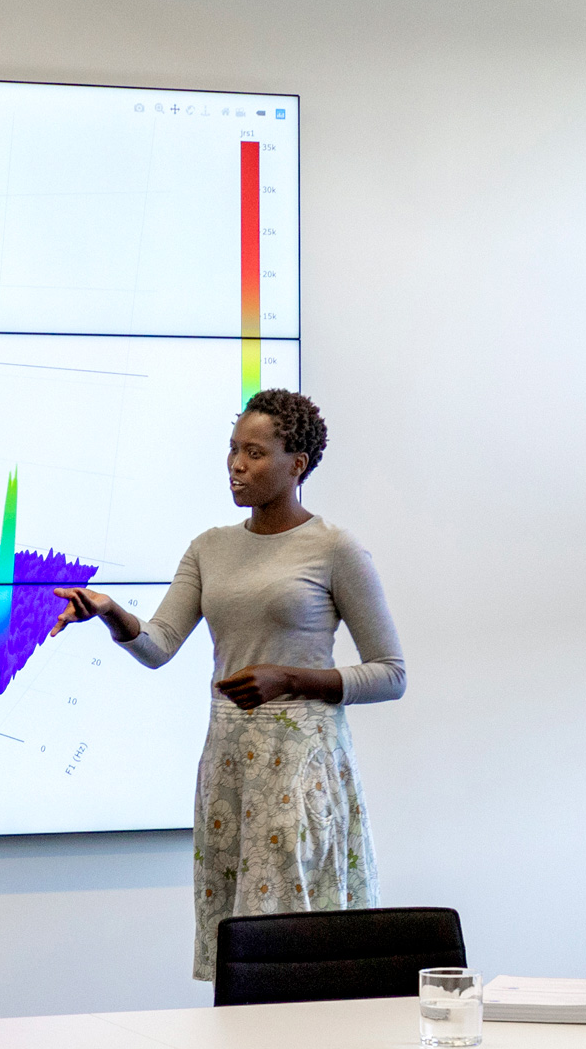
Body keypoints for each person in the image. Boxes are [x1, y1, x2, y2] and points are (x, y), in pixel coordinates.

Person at [49, 389, 405, 982]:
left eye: (255, 453)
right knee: (243, 950)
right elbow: (159, 644)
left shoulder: (335, 549)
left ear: (297, 465)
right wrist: (111, 613)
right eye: (233, 450)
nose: (237, 465)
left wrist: (288, 678)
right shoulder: (209, 548)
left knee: (298, 943)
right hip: (230, 765)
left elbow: (390, 674)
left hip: (302, 765)